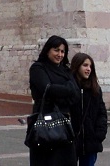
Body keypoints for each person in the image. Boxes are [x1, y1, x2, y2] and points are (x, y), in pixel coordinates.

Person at [28, 35, 79, 166]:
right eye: (56, 50)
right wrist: (67, 90)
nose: (60, 54)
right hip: (45, 125)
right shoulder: (38, 68)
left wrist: (61, 92)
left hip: (64, 127)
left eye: (63, 51)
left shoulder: (66, 70)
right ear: (48, 50)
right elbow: (47, 89)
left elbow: (76, 94)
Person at [69, 52, 108, 166]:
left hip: (91, 142)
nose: (88, 69)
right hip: (71, 142)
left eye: (90, 66)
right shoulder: (68, 87)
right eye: (85, 65)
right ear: (77, 66)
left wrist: (100, 134)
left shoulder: (94, 89)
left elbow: (102, 113)